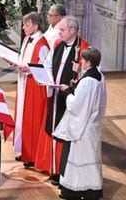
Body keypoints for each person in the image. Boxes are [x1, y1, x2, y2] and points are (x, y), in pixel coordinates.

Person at [35, 16, 90, 184]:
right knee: (54, 129)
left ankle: (64, 172)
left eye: (62, 30)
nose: (59, 33)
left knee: (65, 134)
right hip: (56, 93)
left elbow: (89, 75)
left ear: (73, 31)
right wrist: (49, 80)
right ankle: (54, 168)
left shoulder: (84, 49)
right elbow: (48, 64)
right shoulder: (58, 45)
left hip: (71, 98)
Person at [53, 47, 106, 200]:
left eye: (82, 60)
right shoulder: (99, 76)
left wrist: (68, 92)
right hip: (92, 125)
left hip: (82, 128)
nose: (80, 62)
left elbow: (76, 106)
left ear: (88, 62)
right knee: (90, 159)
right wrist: (76, 85)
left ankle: (74, 191)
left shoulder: (88, 81)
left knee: (77, 158)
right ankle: (91, 191)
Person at [9, 12, 50, 167]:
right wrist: (15, 63)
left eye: (26, 24)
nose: (23, 27)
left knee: (32, 119)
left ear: (35, 25)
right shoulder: (27, 39)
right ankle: (25, 151)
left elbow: (47, 67)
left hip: (34, 87)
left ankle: (32, 155)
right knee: (22, 117)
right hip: (24, 82)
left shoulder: (42, 44)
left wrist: (29, 69)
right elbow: (23, 57)